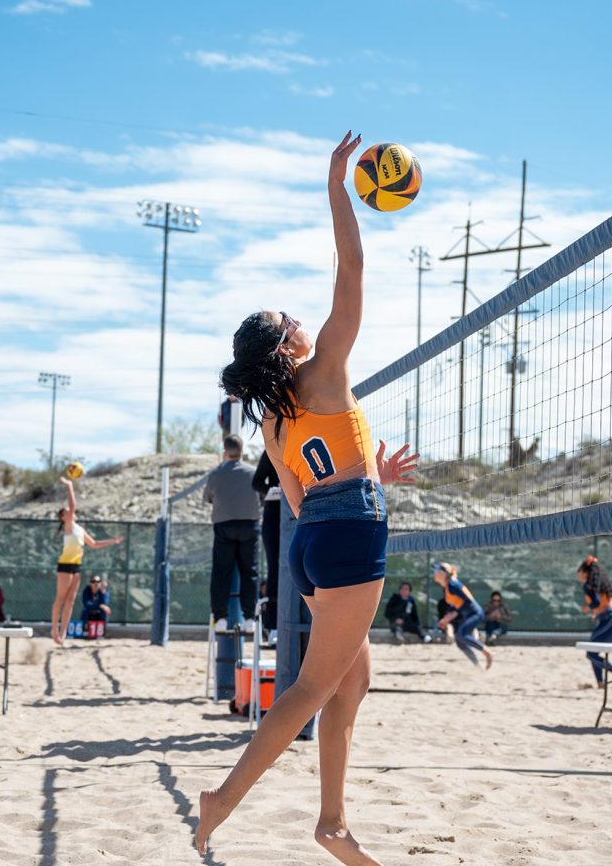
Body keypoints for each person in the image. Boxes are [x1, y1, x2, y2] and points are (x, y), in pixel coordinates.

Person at [198, 131, 419, 862]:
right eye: (290, 317)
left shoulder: (271, 418)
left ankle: (331, 820)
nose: (301, 318)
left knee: (352, 677)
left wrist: (367, 481)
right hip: (350, 535)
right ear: (287, 342)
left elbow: (298, 498)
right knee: (307, 689)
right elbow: (352, 266)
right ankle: (222, 799)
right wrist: (337, 187)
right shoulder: (323, 367)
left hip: (316, 540)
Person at [52, 476, 123, 645]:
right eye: (66, 512)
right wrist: (70, 486)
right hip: (65, 566)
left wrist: (112, 541)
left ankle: (62, 634)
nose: (70, 512)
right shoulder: (68, 526)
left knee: (70, 601)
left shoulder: (79, 529)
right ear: (63, 517)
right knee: (60, 599)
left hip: (76, 566)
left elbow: (95, 544)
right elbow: (73, 505)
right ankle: (54, 628)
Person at [203, 434, 262, 634]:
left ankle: (220, 617)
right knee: (250, 572)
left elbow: (208, 497)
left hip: (224, 526)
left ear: (225, 451)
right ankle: (249, 618)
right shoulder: (253, 472)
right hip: (250, 526)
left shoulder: (215, 474)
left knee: (221, 573)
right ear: (242, 451)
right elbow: (262, 496)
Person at [577, 556, 612, 689]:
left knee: (590, 652)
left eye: (579, 571)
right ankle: (600, 683)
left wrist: (590, 608)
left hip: (610, 619)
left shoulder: (588, 586)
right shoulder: (600, 585)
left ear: (585, 572)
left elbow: (596, 602)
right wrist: (601, 610)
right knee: (593, 652)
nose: (578, 575)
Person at [433, 562, 493, 669]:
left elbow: (467, 601)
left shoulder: (453, 585)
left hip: (474, 613)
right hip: (468, 613)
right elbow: (456, 605)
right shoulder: (448, 586)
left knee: (461, 635)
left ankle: (487, 652)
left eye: (437, 570)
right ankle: (478, 666)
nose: (435, 573)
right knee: (460, 642)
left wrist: (450, 616)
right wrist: (446, 618)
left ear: (443, 573)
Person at [252, 450, 281, 645]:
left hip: (301, 513)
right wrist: (275, 490)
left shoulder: (305, 442)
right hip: (275, 516)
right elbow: (257, 482)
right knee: (275, 570)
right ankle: (273, 627)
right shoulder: (271, 450)